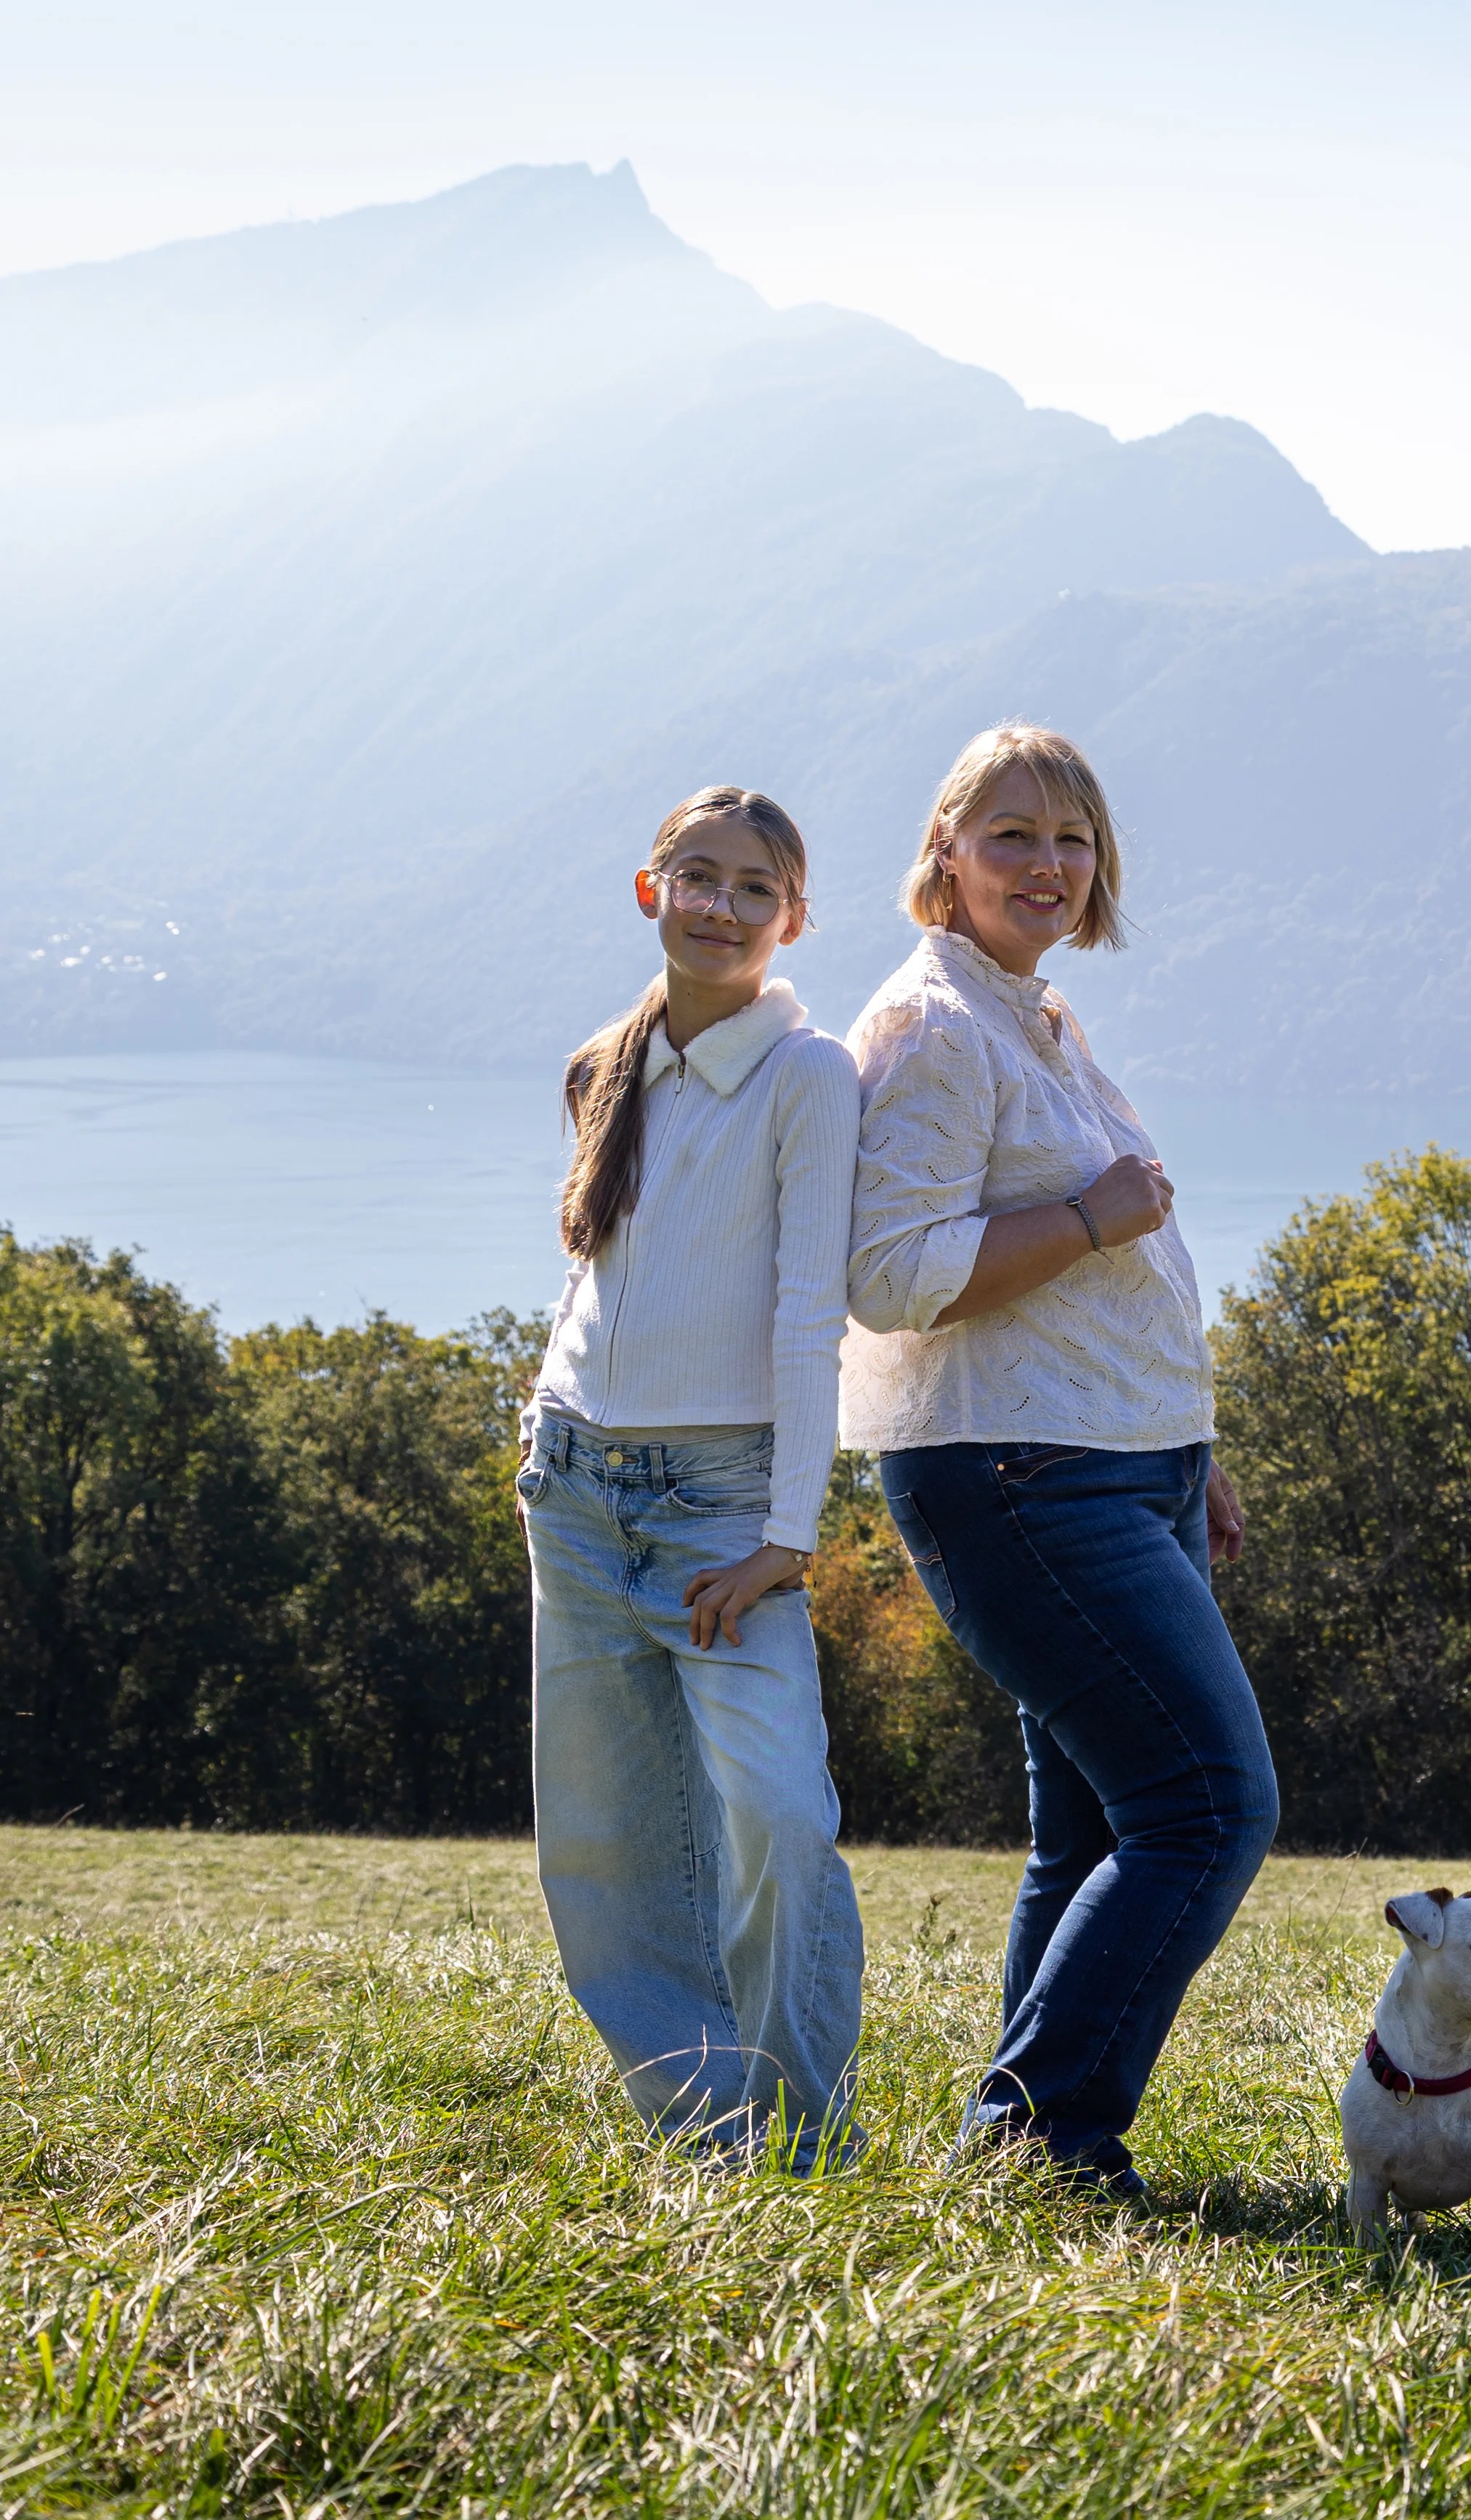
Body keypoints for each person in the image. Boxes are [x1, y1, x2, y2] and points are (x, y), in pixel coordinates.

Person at [843, 721, 1277, 2203]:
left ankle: (1026, 2144)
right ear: (946, 851)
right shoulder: (934, 1027)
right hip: (1020, 1474)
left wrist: (1190, 1450)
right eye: (1013, 835)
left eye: (1072, 839)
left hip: (1117, 1459)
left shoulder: (1028, 1009)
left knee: (1092, 1826)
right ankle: (1038, 2132)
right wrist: (1093, 1217)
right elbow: (893, 1274)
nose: (1048, 864)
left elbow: (1106, 1277)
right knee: (1209, 1802)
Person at [521, 784, 866, 2166]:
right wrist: (551, 1427)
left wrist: (788, 1533)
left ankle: (804, 2139)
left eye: (755, 888)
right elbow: (602, 1275)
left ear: (795, 918)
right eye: (700, 877)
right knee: (604, 1844)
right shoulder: (601, 1063)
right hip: (573, 1486)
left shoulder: (809, 1075)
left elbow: (809, 1311)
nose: (723, 906)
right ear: (650, 889)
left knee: (778, 1813)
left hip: (728, 1507)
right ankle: (707, 2129)